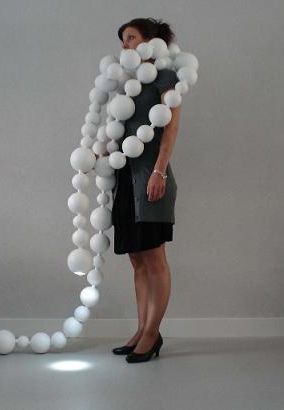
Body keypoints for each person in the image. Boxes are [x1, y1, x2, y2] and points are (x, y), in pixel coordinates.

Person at [110, 18, 181, 363]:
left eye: (131, 37)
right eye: (123, 40)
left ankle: (152, 333)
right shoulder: (128, 83)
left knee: (154, 258)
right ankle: (141, 329)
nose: (125, 45)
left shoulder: (164, 77)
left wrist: (159, 171)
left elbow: (171, 126)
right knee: (136, 260)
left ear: (150, 41)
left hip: (151, 178)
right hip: (126, 180)